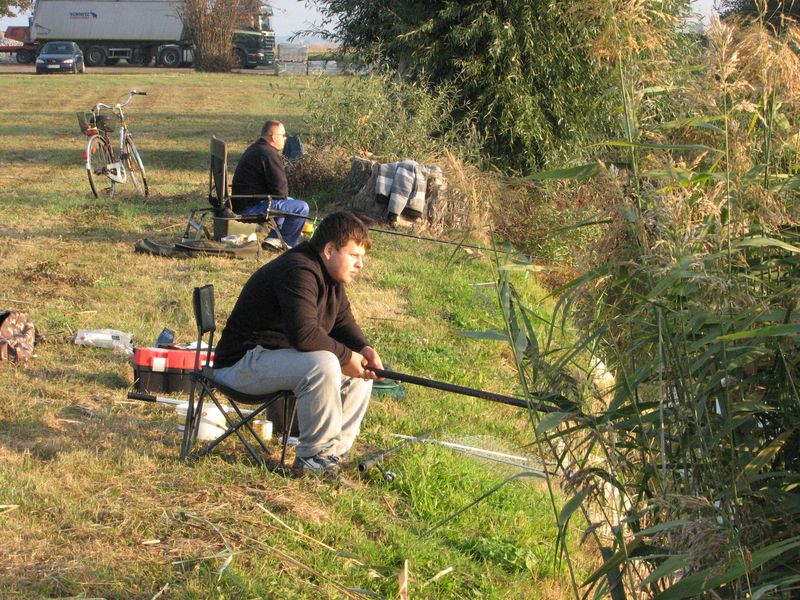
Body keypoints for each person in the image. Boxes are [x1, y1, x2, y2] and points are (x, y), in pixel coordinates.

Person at [211, 211, 384, 474]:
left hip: (272, 360)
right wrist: (347, 357)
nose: (360, 264)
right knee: (325, 362)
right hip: (241, 364)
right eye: (354, 256)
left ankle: (333, 456)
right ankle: (313, 458)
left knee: (360, 374)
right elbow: (303, 335)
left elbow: (342, 323)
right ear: (329, 250)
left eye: (362, 258)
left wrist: (364, 349)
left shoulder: (331, 278)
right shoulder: (298, 270)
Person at [231, 120, 310, 249]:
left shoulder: (256, 148)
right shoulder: (269, 154)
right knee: (301, 208)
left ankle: (273, 239)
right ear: (274, 137)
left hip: (242, 202)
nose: (285, 139)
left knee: (290, 202)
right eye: (283, 135)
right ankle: (287, 243)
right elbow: (281, 191)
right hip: (250, 208)